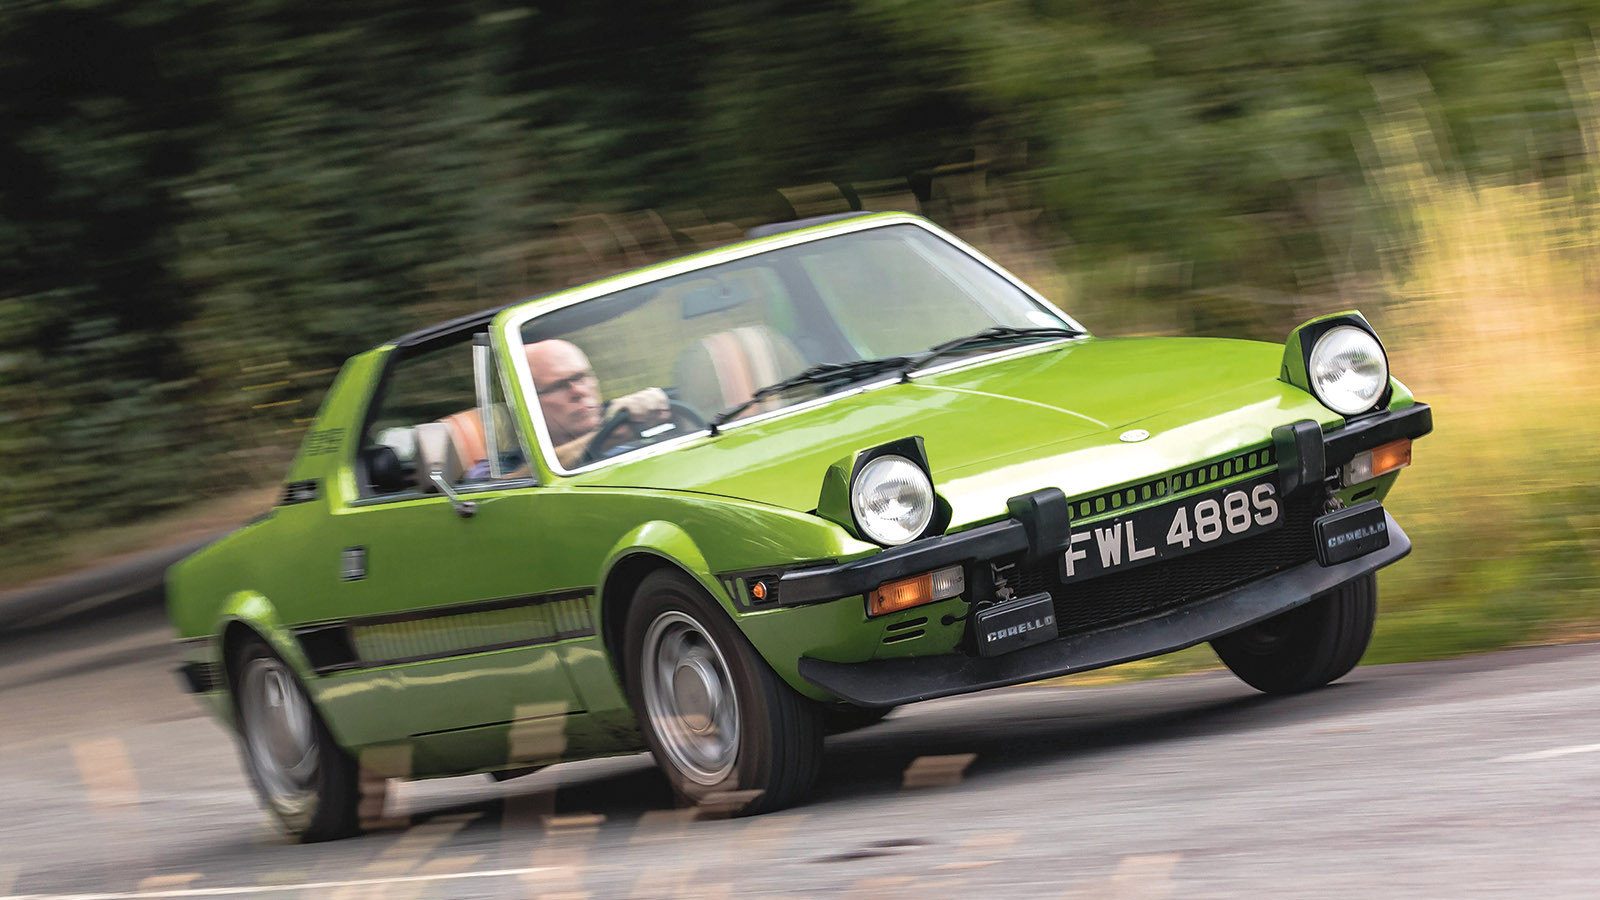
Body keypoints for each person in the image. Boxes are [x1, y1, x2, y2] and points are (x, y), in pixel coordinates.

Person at [526, 339, 670, 468]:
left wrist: (659, 407)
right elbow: (526, 474)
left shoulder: (625, 414)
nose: (579, 391)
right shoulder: (519, 463)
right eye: (558, 386)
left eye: (580, 377)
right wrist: (608, 437)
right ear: (530, 402)